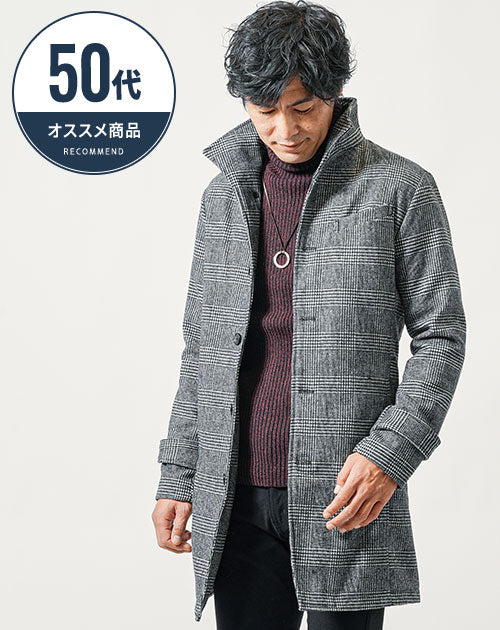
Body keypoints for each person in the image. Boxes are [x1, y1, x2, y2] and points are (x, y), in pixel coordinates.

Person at [151, 2, 467, 628]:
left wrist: (391, 452)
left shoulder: (400, 189)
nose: (285, 129)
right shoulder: (223, 197)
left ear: (336, 92)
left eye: (303, 107)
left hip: (345, 494)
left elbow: (442, 336)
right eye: (264, 109)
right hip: (235, 496)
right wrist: (179, 472)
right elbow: (203, 347)